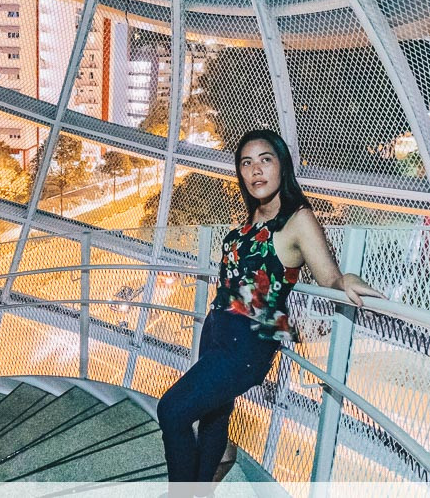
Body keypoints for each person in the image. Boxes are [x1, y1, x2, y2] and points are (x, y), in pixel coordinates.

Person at [157, 129, 384, 491]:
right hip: (216, 329)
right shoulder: (253, 218)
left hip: (249, 342)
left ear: (282, 166)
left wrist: (345, 280)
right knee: (215, 416)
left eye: (265, 159)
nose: (256, 170)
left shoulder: (298, 219)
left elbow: (329, 276)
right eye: (246, 163)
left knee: (171, 411)